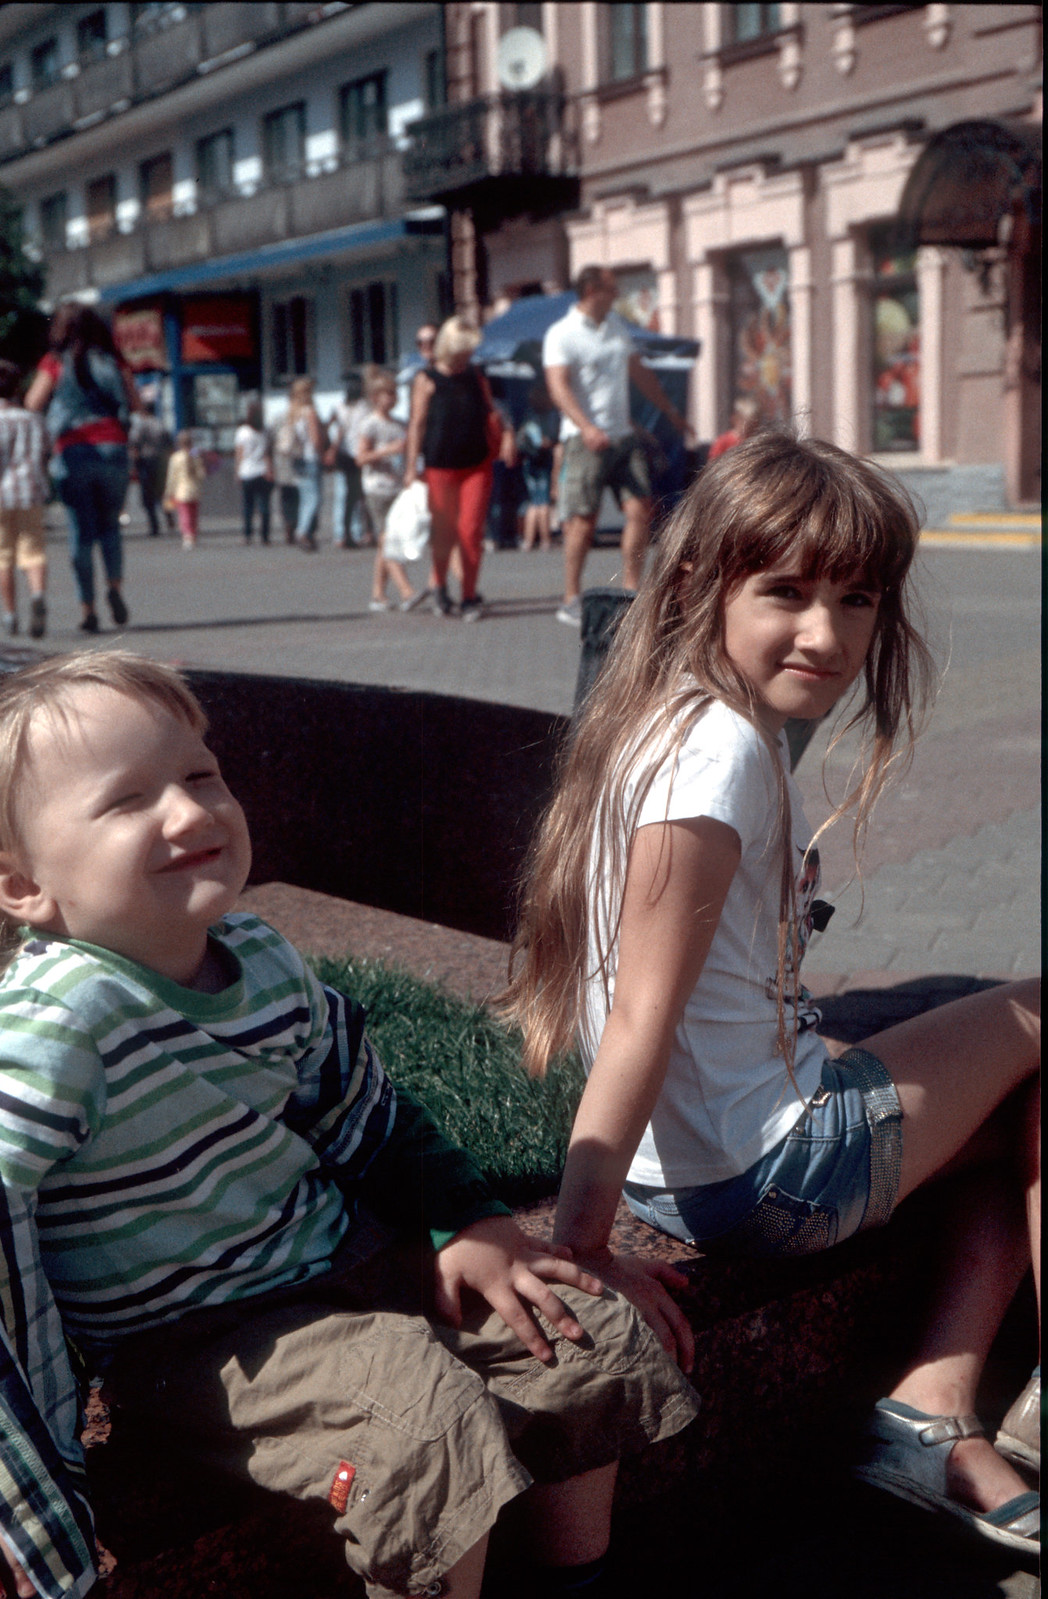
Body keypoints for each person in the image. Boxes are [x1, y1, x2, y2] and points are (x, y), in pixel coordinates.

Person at [0, 651, 699, 1599]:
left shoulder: (257, 955)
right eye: (128, 800)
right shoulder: (56, 1021)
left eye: (201, 775)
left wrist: (470, 1219)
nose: (191, 812)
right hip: (197, 1341)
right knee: (420, 1420)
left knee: (584, 1334)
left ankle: (577, 1576)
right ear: (25, 888)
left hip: (343, 1266)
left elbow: (363, 1108)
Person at [502, 432, 1041, 1555]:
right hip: (765, 1175)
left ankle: (930, 1413)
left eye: (857, 598)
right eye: (787, 593)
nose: (827, 634)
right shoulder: (722, 754)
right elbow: (642, 1017)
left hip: (711, 1163)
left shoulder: (676, 719)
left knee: (1012, 1122)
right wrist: (582, 1245)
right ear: (699, 588)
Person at [543, 266, 693, 628]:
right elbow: (558, 387)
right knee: (582, 522)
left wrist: (671, 413)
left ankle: (630, 591)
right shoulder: (562, 333)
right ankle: (571, 597)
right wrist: (586, 427)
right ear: (592, 291)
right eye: (612, 288)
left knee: (640, 510)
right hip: (584, 440)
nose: (617, 294)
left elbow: (640, 373)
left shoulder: (615, 327)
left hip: (623, 436)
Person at [24, 302, 140, 635]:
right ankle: (114, 588)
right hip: (113, 449)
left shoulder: (54, 362)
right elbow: (135, 403)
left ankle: (88, 609)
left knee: (80, 533)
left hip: (74, 452)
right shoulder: (114, 361)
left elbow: (32, 402)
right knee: (110, 527)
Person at [403, 315, 511, 621]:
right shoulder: (426, 379)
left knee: (471, 531)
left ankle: (468, 596)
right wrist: (410, 467)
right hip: (440, 466)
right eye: (463, 349)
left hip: (477, 464)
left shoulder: (476, 374)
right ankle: (439, 585)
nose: (468, 355)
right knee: (444, 532)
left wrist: (507, 437)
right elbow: (417, 424)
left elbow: (493, 411)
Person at [356, 367, 423, 613]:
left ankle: (378, 594)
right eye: (388, 394)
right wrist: (387, 451)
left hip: (397, 488)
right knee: (388, 541)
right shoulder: (370, 424)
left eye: (395, 393)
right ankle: (406, 591)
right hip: (377, 489)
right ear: (375, 398)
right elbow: (361, 457)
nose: (393, 398)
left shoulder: (400, 424)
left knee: (388, 542)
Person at [0, 359, 49, 641]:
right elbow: (45, 451)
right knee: (33, 550)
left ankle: (10, 614)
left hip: (1, 495)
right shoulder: (33, 419)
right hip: (31, 492)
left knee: (3, 555)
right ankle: (37, 594)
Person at [327, 375, 372, 548]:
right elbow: (337, 430)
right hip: (348, 456)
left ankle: (365, 532)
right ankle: (347, 533)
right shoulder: (341, 407)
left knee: (363, 496)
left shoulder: (364, 406)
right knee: (352, 497)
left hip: (360, 454)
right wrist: (332, 450)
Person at [516, 381, 559, 552]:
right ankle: (545, 539)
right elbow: (542, 441)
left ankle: (528, 540)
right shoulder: (541, 417)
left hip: (528, 461)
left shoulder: (528, 415)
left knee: (533, 502)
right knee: (543, 502)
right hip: (540, 461)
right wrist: (551, 442)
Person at [287, 376, 325, 551]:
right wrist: (323, 453)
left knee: (305, 498)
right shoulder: (310, 412)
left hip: (297, 459)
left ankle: (304, 531)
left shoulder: (293, 412)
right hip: (310, 458)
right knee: (314, 499)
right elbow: (316, 440)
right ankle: (302, 531)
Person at [127, 390, 172, 539]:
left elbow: (134, 444)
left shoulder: (141, 426)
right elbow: (169, 443)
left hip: (146, 462)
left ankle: (154, 525)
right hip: (161, 462)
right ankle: (168, 516)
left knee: (147, 496)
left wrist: (134, 465)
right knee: (161, 492)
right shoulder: (160, 424)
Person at [234, 400, 273, 546]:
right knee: (264, 506)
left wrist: (237, 472)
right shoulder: (265, 431)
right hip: (262, 471)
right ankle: (265, 536)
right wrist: (269, 470)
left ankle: (247, 535)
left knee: (248, 506)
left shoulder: (242, 432)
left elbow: (239, 454)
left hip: (247, 472)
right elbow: (267, 454)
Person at [163, 429, 206, 550]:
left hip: (181, 491)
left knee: (184, 514)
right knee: (193, 514)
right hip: (195, 490)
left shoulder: (175, 458)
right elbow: (201, 474)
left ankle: (188, 536)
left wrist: (168, 492)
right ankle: (193, 534)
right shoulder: (195, 456)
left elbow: (172, 477)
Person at [708, 394, 761, 460]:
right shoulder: (723, 442)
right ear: (735, 419)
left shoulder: (757, 442)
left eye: (753, 424)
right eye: (747, 423)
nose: (750, 428)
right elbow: (713, 463)